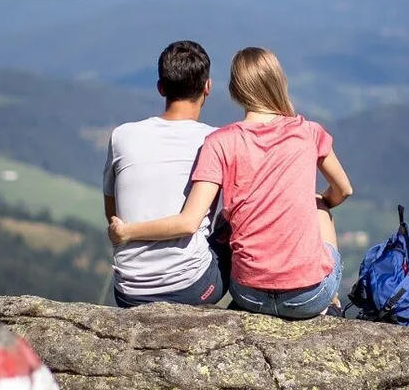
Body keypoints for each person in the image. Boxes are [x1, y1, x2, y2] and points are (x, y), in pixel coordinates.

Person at [108, 46, 354, 320]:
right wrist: (319, 203)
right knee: (318, 206)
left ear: (235, 91)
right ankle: (330, 303)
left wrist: (127, 231)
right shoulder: (309, 132)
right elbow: (345, 189)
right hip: (306, 297)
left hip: (247, 295)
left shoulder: (219, 141)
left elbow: (181, 217)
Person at [101, 40, 230, 308]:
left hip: (129, 293)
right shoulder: (216, 140)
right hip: (192, 288)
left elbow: (113, 214)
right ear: (208, 87)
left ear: (161, 88)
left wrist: (129, 233)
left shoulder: (122, 136)